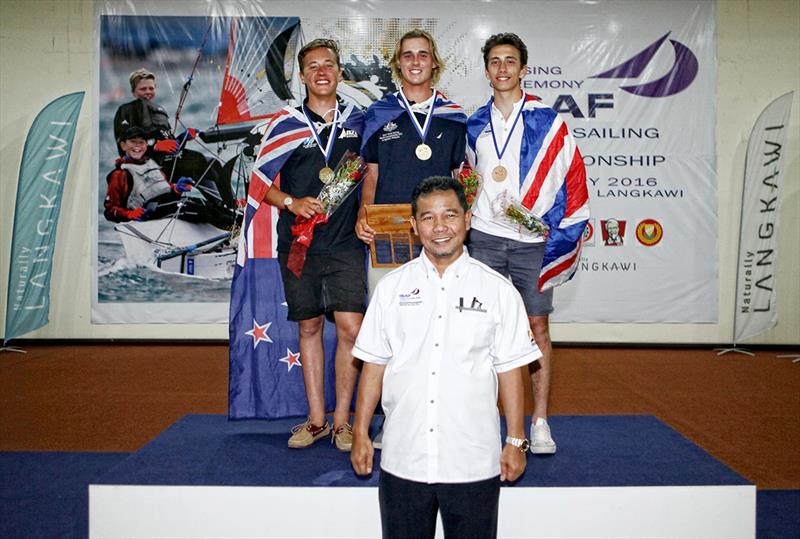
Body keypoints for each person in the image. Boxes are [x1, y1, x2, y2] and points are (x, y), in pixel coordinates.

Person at [351, 177, 540, 539]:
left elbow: (511, 372)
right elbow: (373, 365)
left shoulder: (499, 290)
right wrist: (360, 431)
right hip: (403, 459)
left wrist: (516, 441)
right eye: (428, 217)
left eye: (450, 215)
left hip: (472, 461)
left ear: (467, 220)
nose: (440, 228)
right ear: (413, 225)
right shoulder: (391, 289)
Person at [465, 33, 590, 455]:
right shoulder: (474, 123)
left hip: (531, 242)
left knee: (537, 329)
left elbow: (571, 180)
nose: (503, 68)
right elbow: (468, 179)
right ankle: (485, 420)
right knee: (481, 329)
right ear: (486, 71)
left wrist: (554, 229)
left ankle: (539, 422)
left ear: (523, 69)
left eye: (510, 61)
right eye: (495, 61)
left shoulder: (549, 122)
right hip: (483, 238)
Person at [251, 38, 365, 451]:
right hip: (298, 243)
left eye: (329, 64)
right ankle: (317, 419)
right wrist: (291, 202)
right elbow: (259, 184)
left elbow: (372, 171)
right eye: (313, 66)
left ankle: (342, 421)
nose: (321, 71)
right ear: (302, 76)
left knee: (352, 329)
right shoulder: (284, 122)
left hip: (346, 243)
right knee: (310, 326)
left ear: (339, 72)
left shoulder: (360, 121)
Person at [355, 28, 468, 296]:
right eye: (407, 55)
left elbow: (460, 176)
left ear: (434, 63)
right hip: (387, 228)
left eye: (422, 55)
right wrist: (363, 214)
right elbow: (371, 174)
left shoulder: (453, 117)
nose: (415, 62)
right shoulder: (378, 114)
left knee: (438, 313)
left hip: (437, 229)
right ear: (397, 64)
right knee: (389, 313)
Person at [104, 126, 194, 222]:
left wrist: (176, 188)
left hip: (166, 208)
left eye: (141, 142)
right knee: (190, 207)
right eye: (133, 142)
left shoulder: (152, 164)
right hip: (147, 216)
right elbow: (110, 211)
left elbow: (161, 188)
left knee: (196, 202)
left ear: (146, 145)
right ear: (123, 146)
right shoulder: (119, 174)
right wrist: (129, 214)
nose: (137, 146)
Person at [113, 68, 173, 153]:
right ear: (133, 92)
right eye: (143, 89)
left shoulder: (160, 110)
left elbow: (170, 140)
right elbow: (123, 146)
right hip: (140, 163)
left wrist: (184, 137)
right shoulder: (124, 111)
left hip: (166, 159)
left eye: (151, 88)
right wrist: (155, 147)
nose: (148, 92)